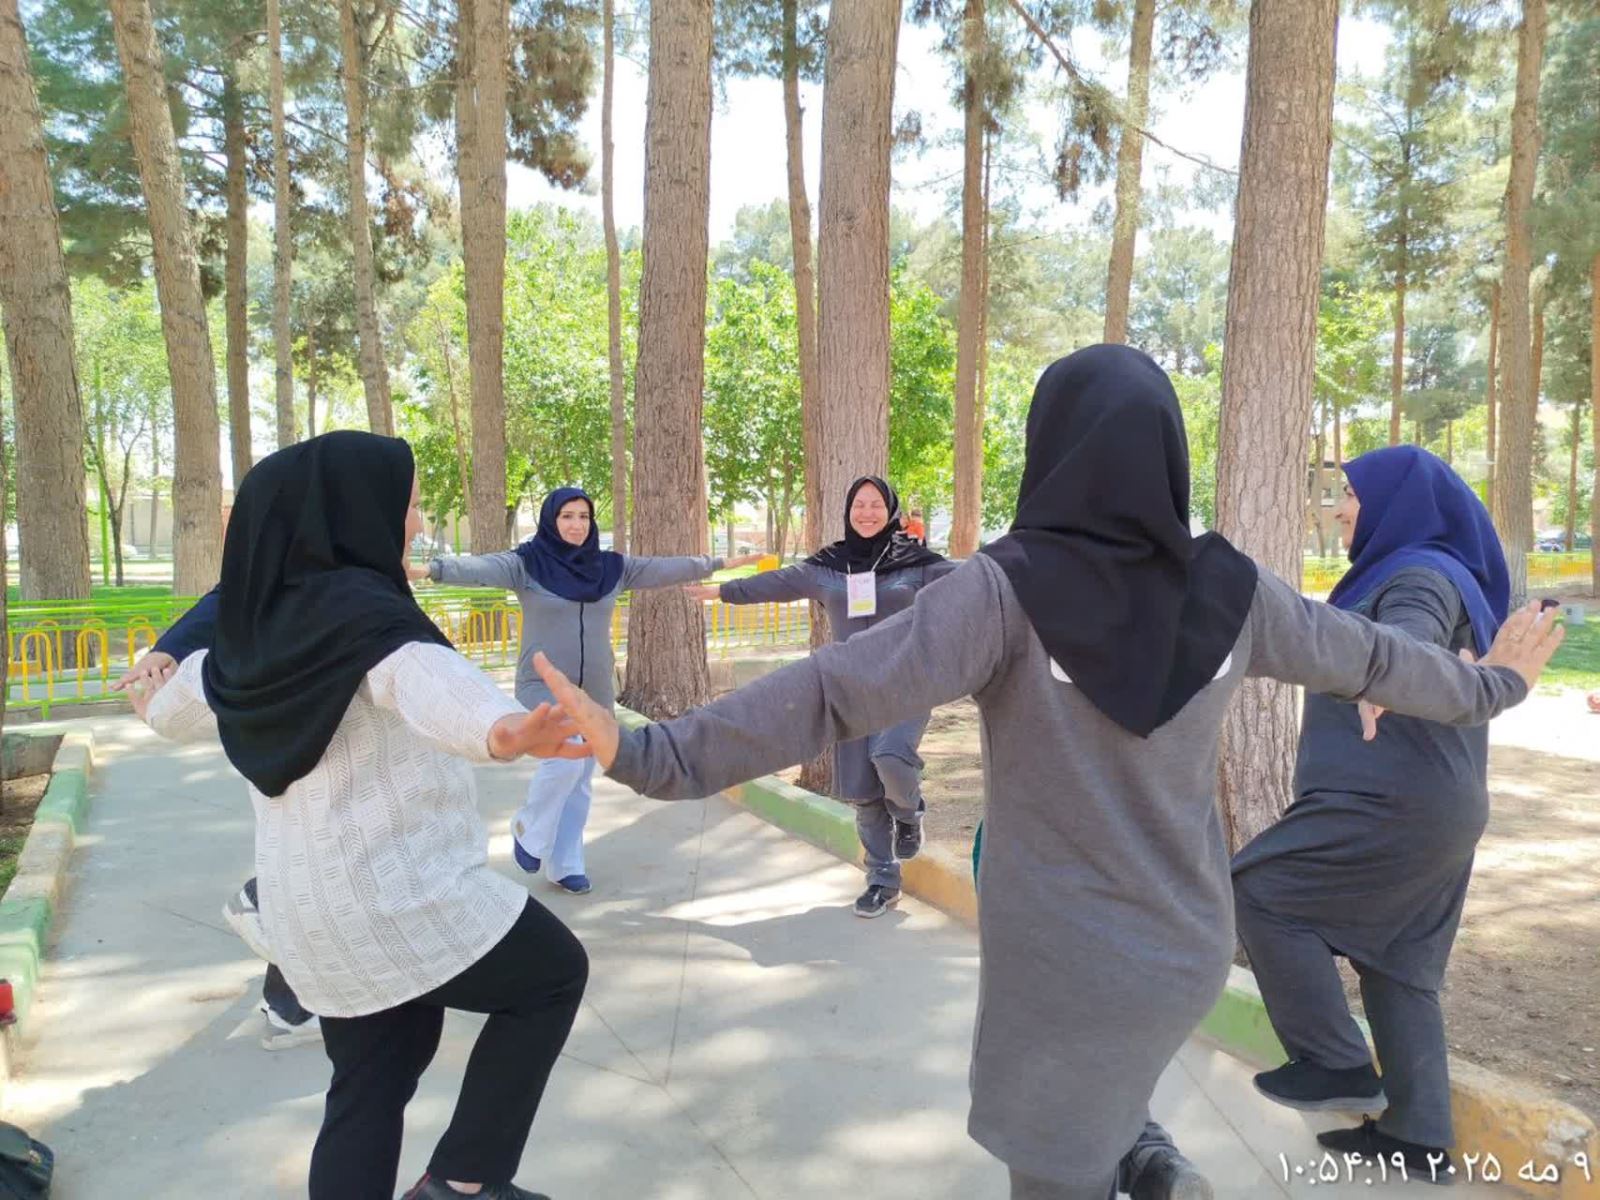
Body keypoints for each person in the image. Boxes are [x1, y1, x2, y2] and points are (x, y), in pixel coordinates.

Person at [521, 345, 1562, 1200]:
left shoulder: (1002, 591)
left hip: (1058, 963)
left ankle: (1128, 1160)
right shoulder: (1235, 591)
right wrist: (1497, 687)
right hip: (1186, 950)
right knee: (1106, 1093)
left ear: (1049, 449)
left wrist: (654, 754)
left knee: (1052, 1166)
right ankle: (1143, 1156)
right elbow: (1377, 660)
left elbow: (834, 691)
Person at [128, 431, 590, 1200]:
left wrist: (153, 678)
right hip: (399, 898)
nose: (416, 524)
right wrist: (505, 730)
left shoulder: (251, 639)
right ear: (352, 514)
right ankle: (463, 1184)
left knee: (371, 1083)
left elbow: (171, 707)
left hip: (309, 918)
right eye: (406, 507)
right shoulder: (364, 621)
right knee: (551, 976)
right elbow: (422, 678)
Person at [1232, 446, 1512, 1178]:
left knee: (1257, 889)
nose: (1340, 512)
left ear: (1399, 503)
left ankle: (1335, 1062)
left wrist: (1390, 673)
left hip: (1389, 802)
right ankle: (1419, 1137)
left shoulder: (1418, 573)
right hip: (1440, 805)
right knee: (1400, 966)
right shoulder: (1434, 570)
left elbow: (1411, 637)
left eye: (1352, 496)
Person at [414, 487, 763, 894]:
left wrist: (718, 563)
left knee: (581, 774)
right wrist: (427, 570)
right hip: (542, 683)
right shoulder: (527, 564)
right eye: (567, 516)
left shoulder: (611, 568)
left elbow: (663, 568)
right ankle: (529, 828)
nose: (576, 525)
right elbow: (478, 567)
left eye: (583, 516)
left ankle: (566, 863)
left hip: (594, 689)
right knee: (566, 758)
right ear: (551, 520)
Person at [688, 477, 954, 917]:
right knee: (865, 792)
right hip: (850, 689)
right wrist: (723, 591)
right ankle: (882, 881)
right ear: (848, 511)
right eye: (859, 505)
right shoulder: (829, 565)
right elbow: (779, 582)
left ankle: (910, 814)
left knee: (891, 756)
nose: (867, 513)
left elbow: (972, 581)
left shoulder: (916, 562)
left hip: (906, 682)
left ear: (890, 511)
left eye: (876, 504)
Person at [115, 592, 322, 1050]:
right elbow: (242, 587)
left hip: (309, 725)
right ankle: (263, 905)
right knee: (319, 861)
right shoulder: (327, 560)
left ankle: (290, 1006)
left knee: (314, 856)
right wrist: (171, 651)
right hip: (306, 728)